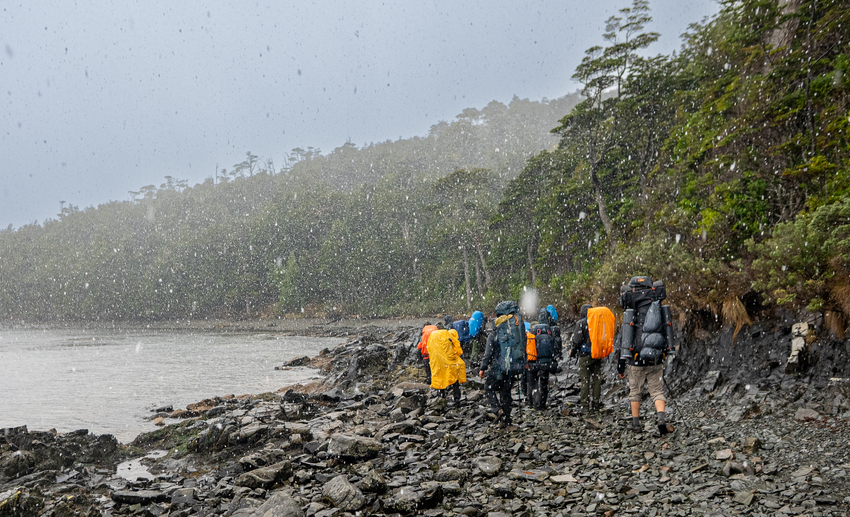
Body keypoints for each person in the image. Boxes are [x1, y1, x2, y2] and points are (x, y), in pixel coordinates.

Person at [615, 276, 673, 435]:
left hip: (635, 356)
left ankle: (635, 424)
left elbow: (624, 340)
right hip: (655, 354)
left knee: (635, 391)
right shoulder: (656, 304)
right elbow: (666, 330)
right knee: (657, 390)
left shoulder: (630, 309)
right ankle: (661, 418)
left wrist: (620, 365)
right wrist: (665, 352)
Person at [478, 300, 526, 427]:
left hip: (498, 367)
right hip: (512, 367)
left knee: (489, 388)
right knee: (506, 392)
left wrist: (482, 368)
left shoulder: (494, 334)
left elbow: (488, 354)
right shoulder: (515, 332)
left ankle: (498, 411)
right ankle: (507, 418)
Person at [570, 304, 603, 412]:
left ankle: (585, 405)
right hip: (597, 354)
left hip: (585, 356)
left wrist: (573, 352)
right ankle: (596, 404)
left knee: (585, 380)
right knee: (596, 379)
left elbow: (576, 341)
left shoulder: (581, 323)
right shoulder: (597, 322)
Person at [427, 328, 467, 405]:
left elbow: (428, 349)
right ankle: (457, 398)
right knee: (454, 379)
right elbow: (459, 351)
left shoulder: (436, 339)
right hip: (449, 363)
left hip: (437, 362)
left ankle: (441, 397)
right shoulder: (451, 339)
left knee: (440, 378)